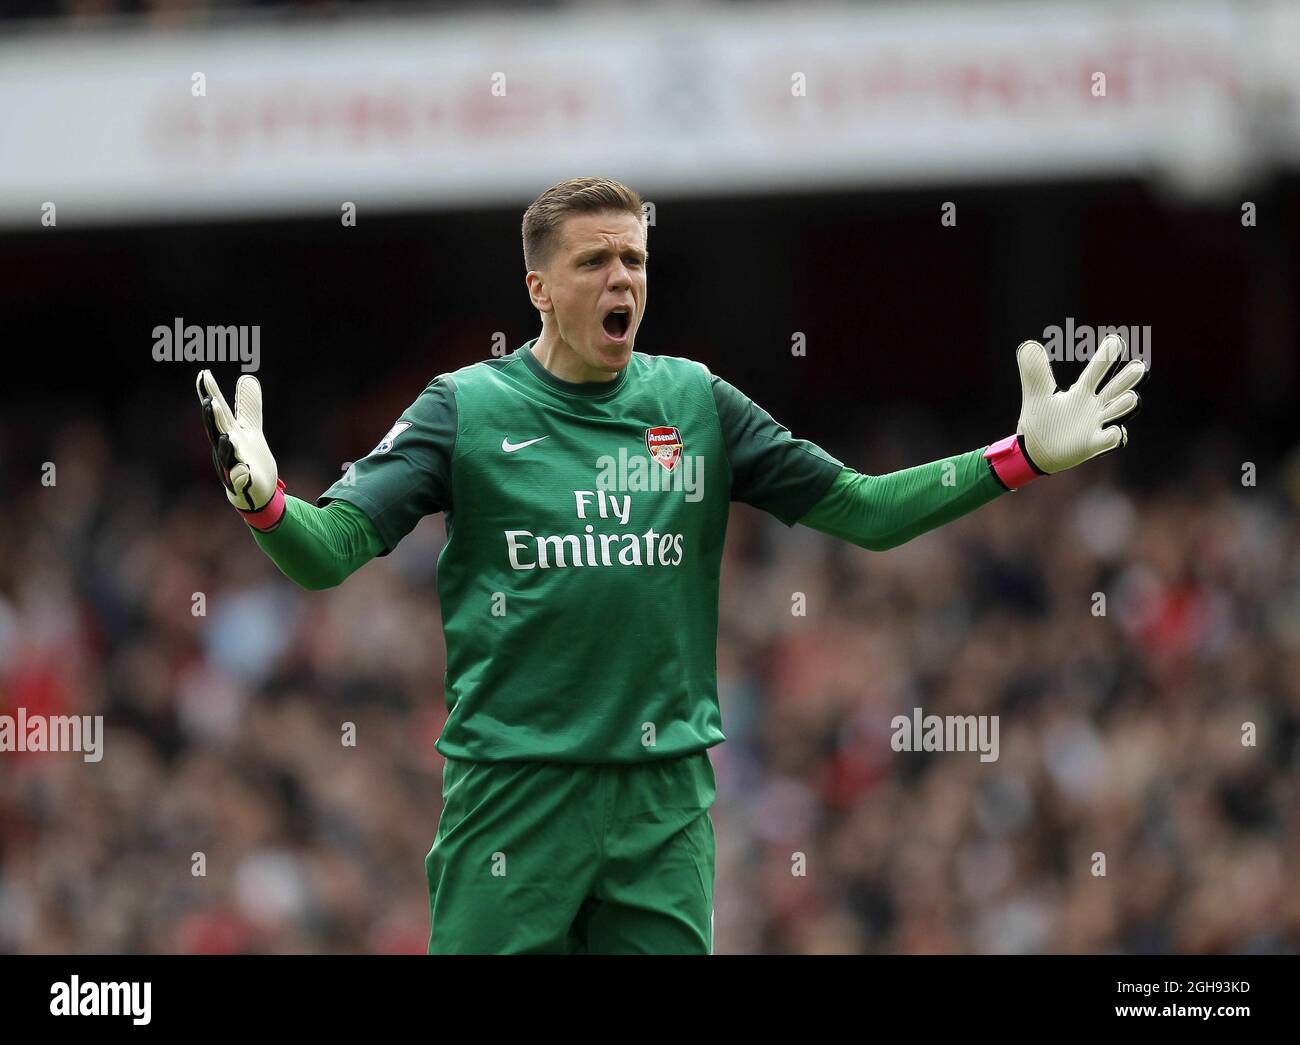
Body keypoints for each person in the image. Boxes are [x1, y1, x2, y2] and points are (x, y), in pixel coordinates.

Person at [195, 176, 1147, 954]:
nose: (623, 281)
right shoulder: (466, 409)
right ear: (539, 288)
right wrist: (267, 504)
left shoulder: (695, 402)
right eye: (595, 261)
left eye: (635, 260)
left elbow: (865, 512)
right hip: (513, 797)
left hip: (663, 802)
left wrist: (1016, 458)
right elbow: (331, 555)